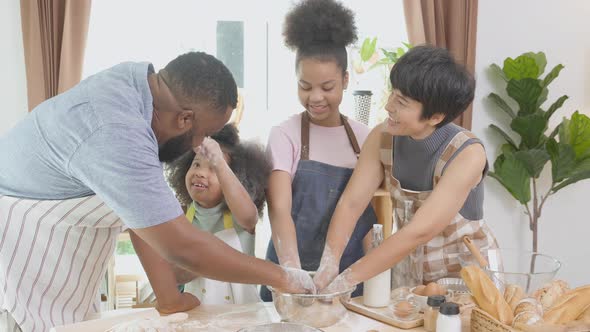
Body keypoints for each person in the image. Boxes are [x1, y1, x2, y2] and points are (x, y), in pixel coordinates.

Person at [0, 52, 313, 332]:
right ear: (184, 119)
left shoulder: (137, 87)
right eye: (202, 134)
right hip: (23, 265)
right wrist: (283, 277)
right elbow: (182, 248)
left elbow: (146, 216)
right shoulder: (117, 131)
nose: (197, 145)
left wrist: (169, 300)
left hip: (62, 268)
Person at [312, 45, 500, 293]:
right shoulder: (382, 136)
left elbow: (418, 232)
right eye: (393, 93)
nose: (389, 106)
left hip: (468, 277)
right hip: (411, 272)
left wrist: (346, 281)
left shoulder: (467, 153)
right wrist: (329, 265)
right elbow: (351, 204)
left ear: (435, 117)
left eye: (401, 102)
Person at [260, 0, 376, 302]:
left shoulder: (365, 139)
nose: (315, 97)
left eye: (327, 87)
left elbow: (362, 213)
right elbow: (280, 208)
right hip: (289, 272)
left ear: (346, 80)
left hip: (346, 277)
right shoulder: (284, 135)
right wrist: (292, 271)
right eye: (305, 86)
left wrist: (369, 275)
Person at [151, 123, 271, 304]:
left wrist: (220, 162)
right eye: (196, 164)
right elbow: (174, 275)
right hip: (200, 315)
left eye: (213, 169)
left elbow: (249, 217)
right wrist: (201, 262)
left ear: (235, 179)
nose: (200, 172)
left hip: (242, 315)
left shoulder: (239, 215)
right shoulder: (181, 215)